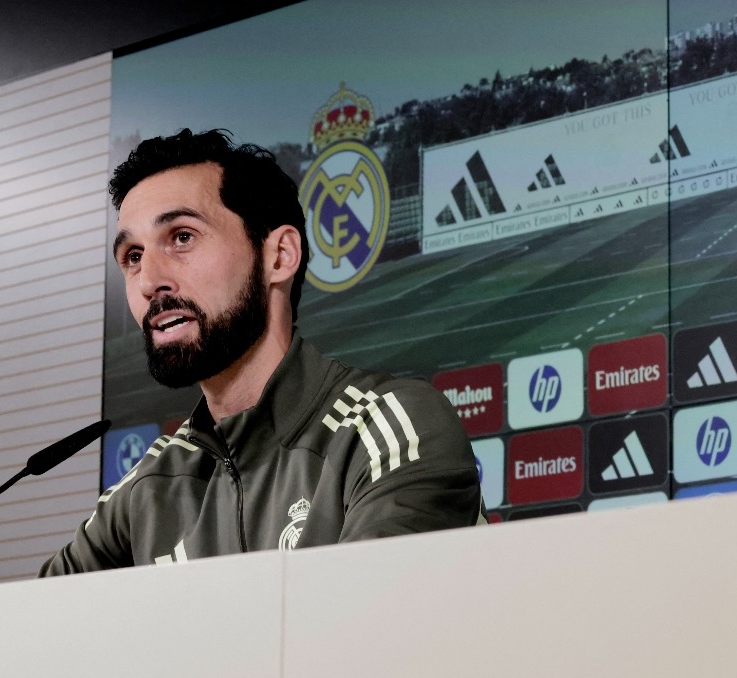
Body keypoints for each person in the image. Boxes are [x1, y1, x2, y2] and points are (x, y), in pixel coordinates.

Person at [39, 129, 483, 574]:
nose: (148, 280)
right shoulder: (148, 488)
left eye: (182, 237)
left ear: (279, 256)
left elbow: (366, 628)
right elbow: (25, 627)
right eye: (133, 255)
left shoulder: (391, 428)